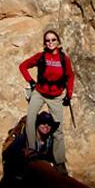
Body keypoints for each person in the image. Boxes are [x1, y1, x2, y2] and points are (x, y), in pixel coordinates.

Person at [19, 29, 74, 175]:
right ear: (44, 43)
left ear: (58, 42)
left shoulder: (63, 59)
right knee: (30, 118)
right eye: (48, 40)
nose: (51, 43)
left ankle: (59, 162)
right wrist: (31, 82)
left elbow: (70, 76)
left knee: (58, 129)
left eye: (53, 40)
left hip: (56, 96)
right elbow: (23, 66)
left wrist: (69, 95)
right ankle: (31, 150)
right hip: (40, 92)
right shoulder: (41, 57)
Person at [2, 110, 59, 177]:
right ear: (37, 125)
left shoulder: (50, 142)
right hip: (19, 175)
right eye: (43, 123)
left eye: (49, 124)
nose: (46, 126)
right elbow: (6, 155)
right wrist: (23, 156)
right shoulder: (23, 139)